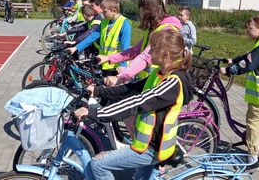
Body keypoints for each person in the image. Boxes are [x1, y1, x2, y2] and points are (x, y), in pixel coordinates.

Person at [75, 29, 192, 180]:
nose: (148, 54)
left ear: (165, 55)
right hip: (147, 142)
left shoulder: (173, 82)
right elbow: (131, 88)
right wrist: (98, 91)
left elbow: (138, 102)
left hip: (152, 147)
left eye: (153, 50)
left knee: (98, 165)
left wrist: (95, 113)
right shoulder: (161, 74)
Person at [221, 16, 259, 172]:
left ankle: (253, 160)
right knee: (255, 123)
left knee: (253, 124)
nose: (247, 31)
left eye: (251, 28)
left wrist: (227, 70)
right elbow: (249, 56)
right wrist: (232, 59)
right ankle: (250, 141)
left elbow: (247, 63)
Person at [98, 0, 182, 86]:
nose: (140, 13)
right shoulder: (154, 28)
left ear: (149, 10)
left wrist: (120, 77)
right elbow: (136, 50)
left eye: (141, 9)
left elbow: (146, 56)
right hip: (147, 80)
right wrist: (108, 58)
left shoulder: (165, 29)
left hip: (160, 82)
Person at [67, 0, 131, 77]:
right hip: (104, 63)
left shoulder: (124, 23)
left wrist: (123, 64)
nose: (102, 14)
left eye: (105, 12)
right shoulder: (105, 21)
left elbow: (125, 46)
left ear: (114, 11)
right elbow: (93, 36)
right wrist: (76, 47)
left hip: (117, 67)